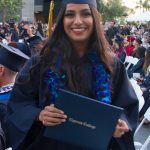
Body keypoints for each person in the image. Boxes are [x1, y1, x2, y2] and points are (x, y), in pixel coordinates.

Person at [5, 0, 138, 150]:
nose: (78, 21)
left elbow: (126, 107)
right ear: (62, 20)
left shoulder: (112, 65)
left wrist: (119, 122)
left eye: (85, 14)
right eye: (70, 14)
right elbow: (18, 104)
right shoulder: (40, 63)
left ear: (95, 18)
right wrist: (38, 114)